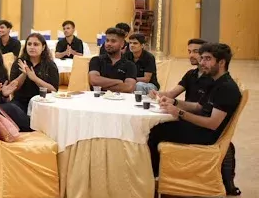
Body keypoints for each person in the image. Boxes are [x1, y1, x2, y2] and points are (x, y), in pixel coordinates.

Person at [148, 43, 242, 175]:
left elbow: (212, 124)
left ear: (221, 62)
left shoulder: (226, 88)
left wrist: (179, 113)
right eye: (202, 58)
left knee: (155, 132)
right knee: (159, 126)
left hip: (208, 135)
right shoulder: (214, 81)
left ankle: (155, 175)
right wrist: (174, 102)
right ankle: (159, 173)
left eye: (208, 59)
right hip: (201, 128)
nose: (202, 63)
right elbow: (198, 106)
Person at [10, 33, 60, 115]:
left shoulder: (50, 65)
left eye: (36, 44)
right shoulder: (19, 62)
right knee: (7, 109)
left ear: (43, 47)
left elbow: (54, 90)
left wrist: (35, 79)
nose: (32, 47)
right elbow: (12, 88)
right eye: (29, 44)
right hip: (20, 102)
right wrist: (24, 75)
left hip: (42, 103)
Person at [150, 38, 211, 104]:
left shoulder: (212, 77)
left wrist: (175, 103)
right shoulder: (190, 74)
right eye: (189, 52)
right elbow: (172, 94)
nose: (191, 55)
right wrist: (157, 93)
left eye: (196, 51)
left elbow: (199, 107)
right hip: (184, 109)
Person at [89, 27, 137, 93]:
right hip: (98, 97)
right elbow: (94, 81)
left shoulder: (130, 65)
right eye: (107, 40)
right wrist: (119, 81)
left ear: (122, 44)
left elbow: (129, 88)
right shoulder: (96, 60)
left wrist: (101, 86)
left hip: (120, 98)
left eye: (113, 41)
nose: (109, 44)